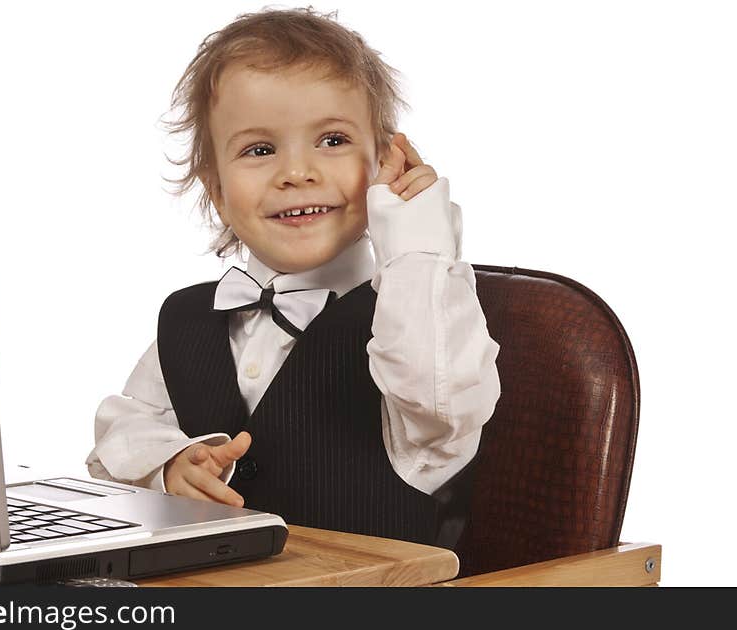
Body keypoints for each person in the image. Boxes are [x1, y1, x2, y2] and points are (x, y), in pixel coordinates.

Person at [85, 7, 501, 548]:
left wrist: (416, 239)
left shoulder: (418, 320)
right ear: (216, 190)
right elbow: (124, 430)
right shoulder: (189, 318)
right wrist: (169, 464)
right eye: (259, 150)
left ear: (382, 162)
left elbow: (440, 406)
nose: (296, 173)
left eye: (332, 141)